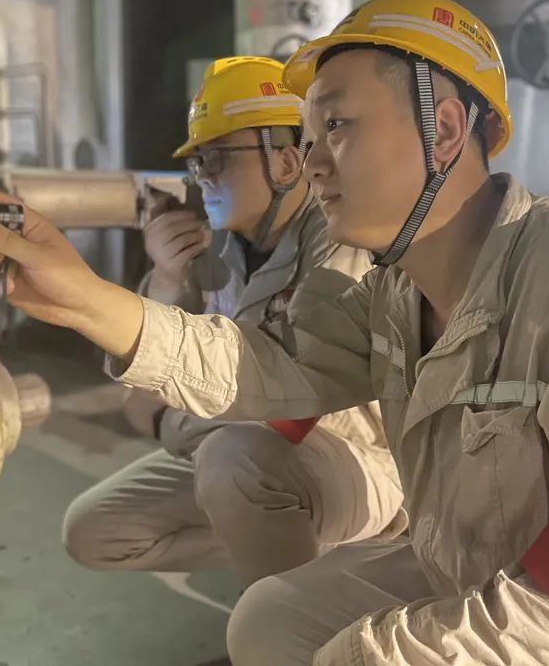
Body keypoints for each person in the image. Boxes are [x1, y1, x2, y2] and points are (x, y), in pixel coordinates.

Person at [0, 0, 549, 665]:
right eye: (308, 133)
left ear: (445, 128)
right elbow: (258, 366)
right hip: (480, 570)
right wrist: (80, 297)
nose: (312, 161)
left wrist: (375, 651)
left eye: (337, 125)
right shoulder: (395, 292)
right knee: (271, 620)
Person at [65, 56, 402, 586]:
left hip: (357, 464)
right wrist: (166, 281)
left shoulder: (338, 243)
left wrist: (174, 423)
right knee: (95, 531)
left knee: (233, 460)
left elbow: (297, 411)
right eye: (197, 163)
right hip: (242, 457)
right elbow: (137, 399)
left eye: (217, 158)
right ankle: (283, 548)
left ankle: (301, 616)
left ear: (286, 163)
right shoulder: (212, 253)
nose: (202, 178)